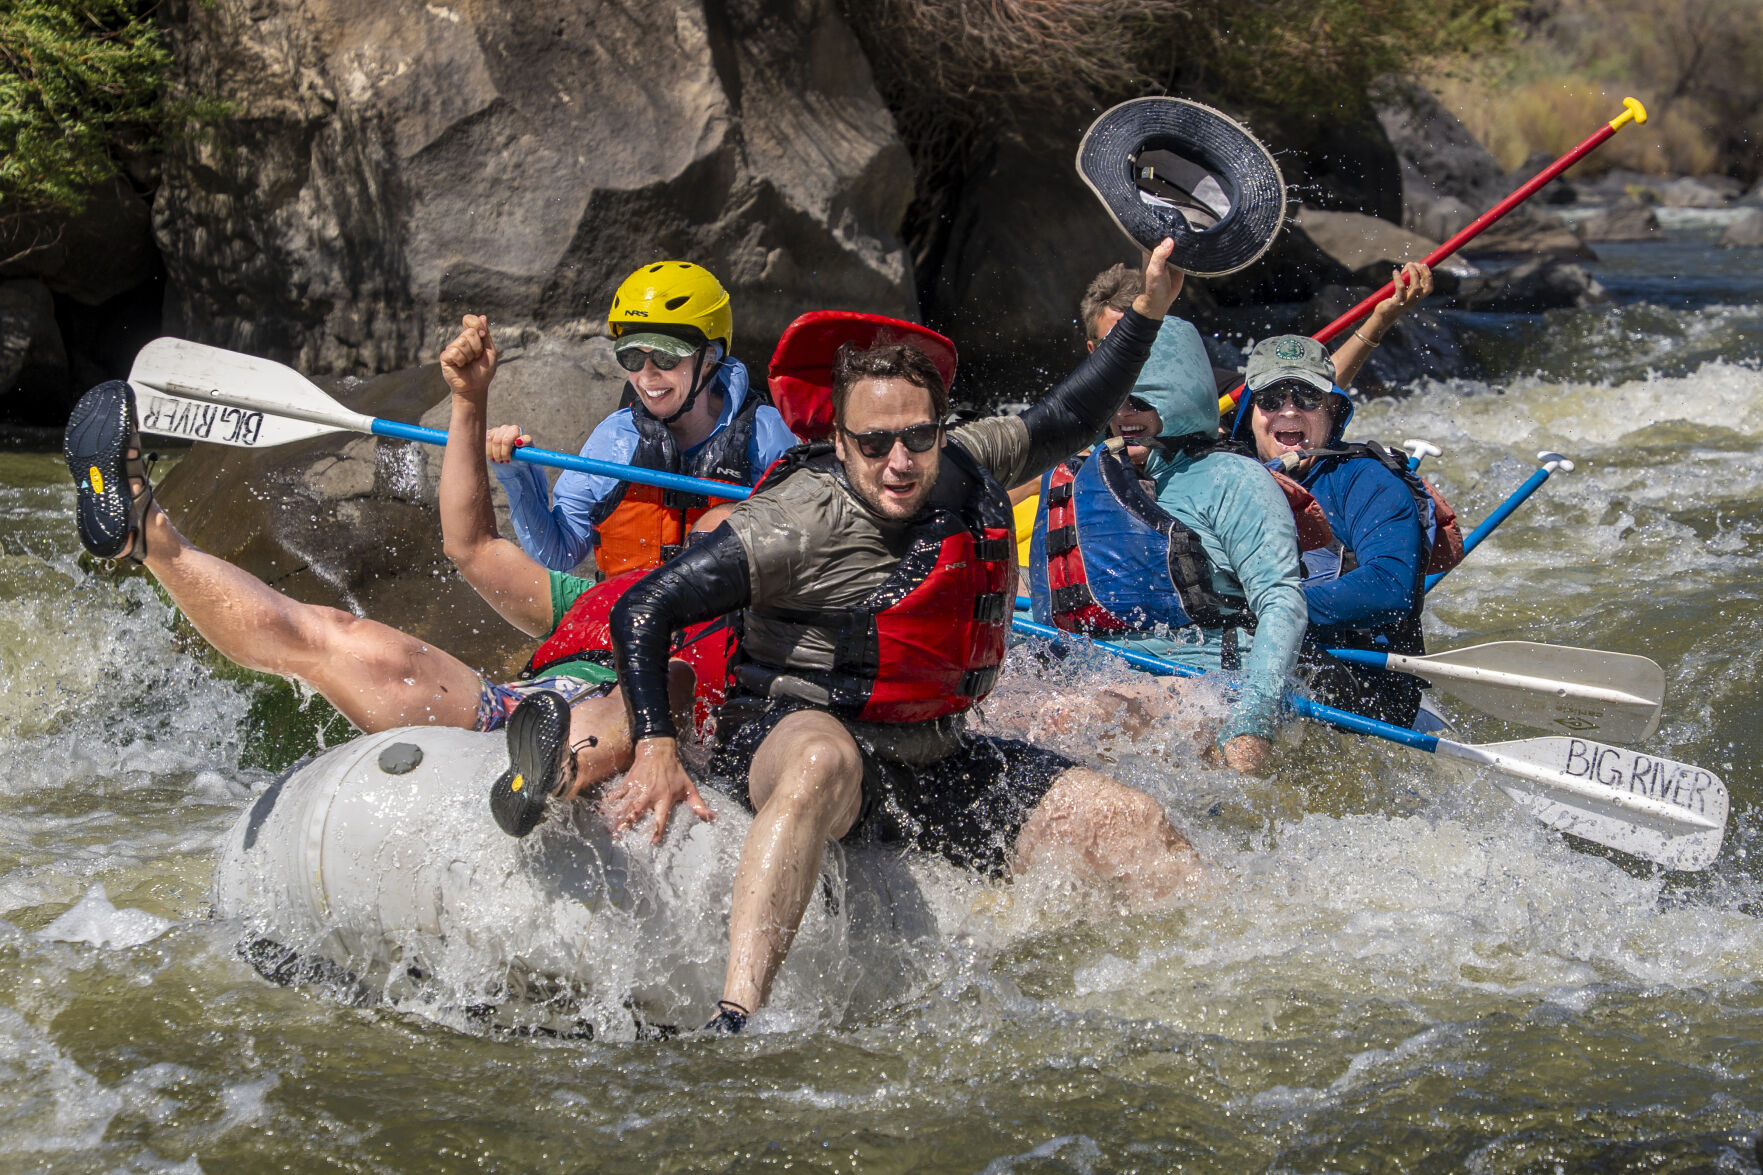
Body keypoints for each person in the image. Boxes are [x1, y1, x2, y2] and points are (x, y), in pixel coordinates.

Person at [498, 241, 1205, 1032]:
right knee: (818, 759)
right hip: (789, 731)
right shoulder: (798, 520)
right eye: (872, 444)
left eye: (916, 438)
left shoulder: (967, 459)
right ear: (839, 443)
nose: (898, 462)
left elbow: (1072, 414)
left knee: (1127, 818)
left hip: (932, 753)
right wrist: (660, 745)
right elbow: (644, 609)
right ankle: (736, 1015)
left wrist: (1146, 310)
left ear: (942, 428)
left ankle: (1227, 986)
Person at [61, 316, 714, 836]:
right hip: (507, 712)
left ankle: (549, 776)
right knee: (329, 634)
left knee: (661, 678)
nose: (710, 542)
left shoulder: (742, 624)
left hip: (615, 724)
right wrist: (467, 401)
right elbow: (472, 543)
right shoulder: (597, 597)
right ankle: (145, 533)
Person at [1025, 267, 1310, 776]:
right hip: (1098, 681)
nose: (1125, 414)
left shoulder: (1231, 480)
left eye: (1142, 402)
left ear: (1178, 394)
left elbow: (1281, 603)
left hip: (1212, 686)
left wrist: (1253, 718)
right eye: (1116, 402)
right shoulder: (1075, 477)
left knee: (1064, 720)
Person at [1229, 262, 1449, 727]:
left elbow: (1390, 587)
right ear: (1250, 416)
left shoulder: (1367, 481)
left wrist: (1273, 612)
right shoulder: (1225, 478)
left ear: (1332, 412)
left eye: (1306, 398)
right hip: (1241, 666)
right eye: (1271, 399)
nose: (1288, 410)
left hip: (1357, 688)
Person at [488, 261, 798, 575]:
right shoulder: (613, 440)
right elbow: (557, 555)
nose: (646, 375)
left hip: (729, 619)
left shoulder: (768, 438)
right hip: (632, 615)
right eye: (632, 356)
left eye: (666, 356)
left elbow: (802, 556)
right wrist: (517, 473)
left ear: (708, 358)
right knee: (473, 552)